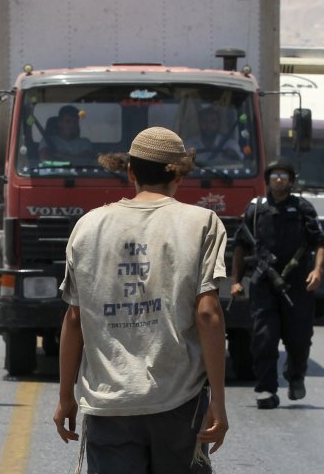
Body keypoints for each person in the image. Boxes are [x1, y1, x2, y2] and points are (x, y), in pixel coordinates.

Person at [53, 127, 228, 473]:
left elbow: (74, 319)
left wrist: (65, 398)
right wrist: (219, 403)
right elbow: (208, 314)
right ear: (179, 174)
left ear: (130, 171)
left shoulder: (88, 226)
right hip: (179, 400)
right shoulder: (202, 223)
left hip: (109, 403)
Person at [230, 158, 324, 409]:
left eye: (283, 176)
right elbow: (240, 246)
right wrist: (236, 281)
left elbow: (320, 242)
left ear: (290, 181)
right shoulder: (256, 210)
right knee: (263, 337)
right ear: (267, 180)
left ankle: (295, 375)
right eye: (274, 176)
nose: (278, 180)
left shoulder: (303, 208)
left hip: (297, 284)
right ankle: (266, 389)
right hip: (263, 283)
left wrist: (317, 271)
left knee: (299, 339)